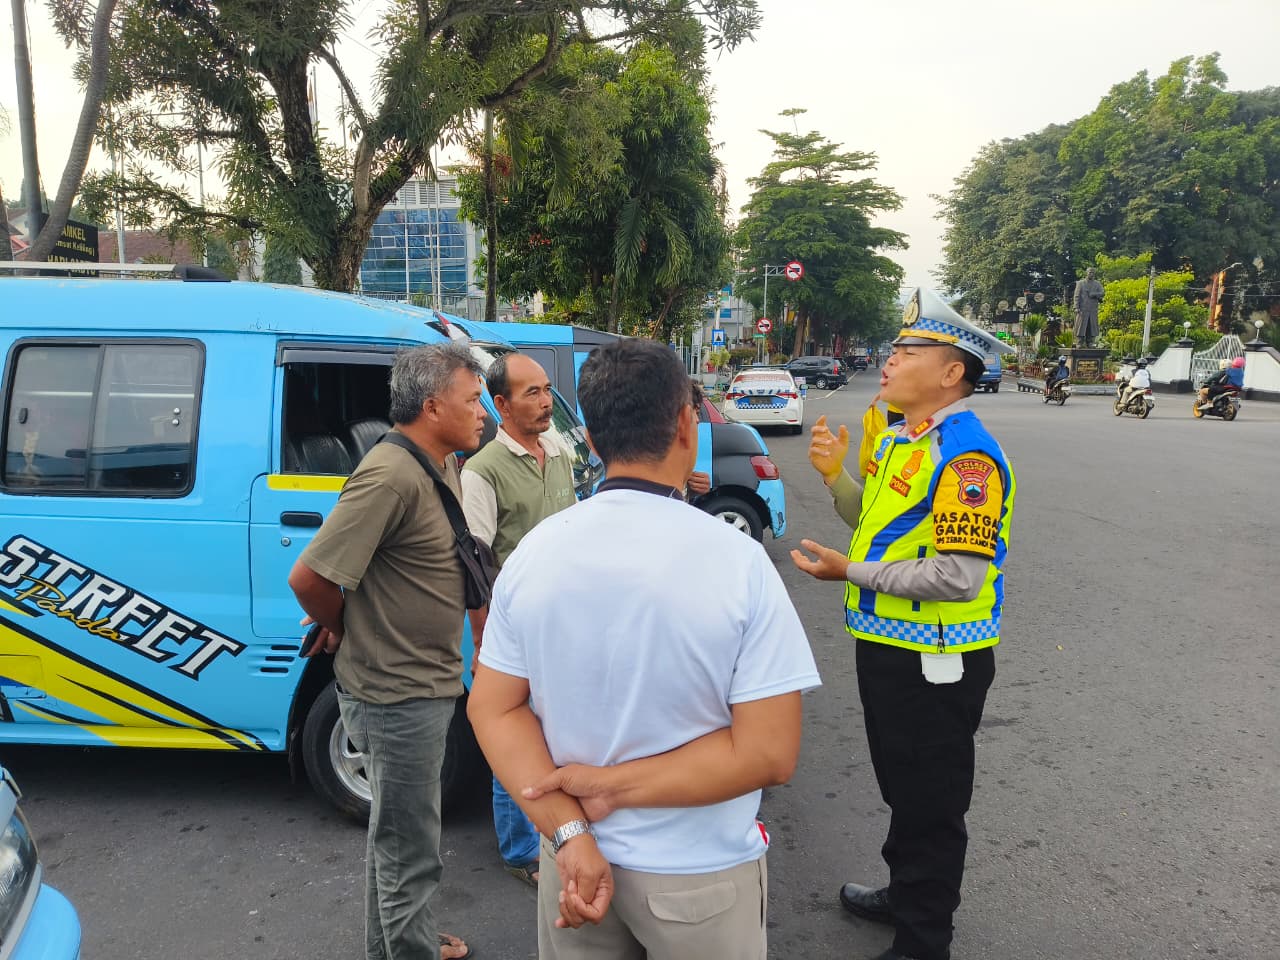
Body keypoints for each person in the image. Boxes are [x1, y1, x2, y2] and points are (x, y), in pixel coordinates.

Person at [467, 338, 821, 960]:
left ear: (594, 442)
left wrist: (575, 829)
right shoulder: (735, 560)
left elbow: (492, 709)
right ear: (686, 424)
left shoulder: (534, 555)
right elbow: (768, 752)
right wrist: (613, 788)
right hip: (700, 879)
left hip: (573, 868)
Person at [790, 288, 1016, 960]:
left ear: (952, 372)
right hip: (888, 646)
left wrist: (848, 574)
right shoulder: (900, 441)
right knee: (902, 786)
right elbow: (876, 528)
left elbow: (956, 576)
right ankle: (906, 893)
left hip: (937, 660)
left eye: (908, 350)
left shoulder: (967, 458)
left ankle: (924, 939)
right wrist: (835, 478)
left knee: (931, 802)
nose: (889, 361)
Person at [288, 343, 485, 960]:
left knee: (397, 839)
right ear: (432, 406)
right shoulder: (390, 474)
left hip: (419, 684)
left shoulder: (440, 462)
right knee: (410, 849)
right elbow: (310, 579)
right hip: (397, 694)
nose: (484, 412)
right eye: (473, 400)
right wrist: (342, 626)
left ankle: (405, 943)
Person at [461, 352, 577, 889]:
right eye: (531, 393)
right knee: (514, 733)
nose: (546, 400)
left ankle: (554, 828)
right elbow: (476, 564)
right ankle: (519, 850)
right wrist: (485, 640)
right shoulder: (483, 471)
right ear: (500, 404)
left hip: (562, 622)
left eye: (547, 389)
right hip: (513, 629)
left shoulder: (558, 449)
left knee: (554, 730)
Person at [1072, 267, 1104, 346]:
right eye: (1090, 272)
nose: (1091, 274)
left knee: (1091, 326)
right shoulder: (1081, 283)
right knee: (1081, 326)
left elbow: (1102, 293)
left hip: (1093, 309)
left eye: (1093, 272)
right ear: (1086, 273)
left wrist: (1094, 294)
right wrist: (1076, 307)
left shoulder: (1097, 284)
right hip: (1082, 309)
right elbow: (1076, 296)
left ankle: (1090, 342)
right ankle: (1079, 342)